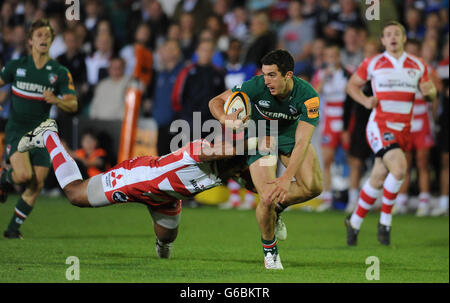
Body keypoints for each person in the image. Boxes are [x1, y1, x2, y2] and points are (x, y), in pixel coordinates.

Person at [16, 118, 263, 258]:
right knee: (75, 194)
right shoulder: (202, 148)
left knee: (167, 240)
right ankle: (49, 135)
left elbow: (260, 187)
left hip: (166, 198)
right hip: (138, 178)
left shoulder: (234, 167)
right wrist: (259, 140)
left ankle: (159, 263)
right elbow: (220, 150)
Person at [209, 49, 323, 269]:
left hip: (291, 138)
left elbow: (302, 142)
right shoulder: (256, 85)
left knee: (314, 187)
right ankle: (270, 251)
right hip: (262, 137)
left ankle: (277, 209)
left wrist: (286, 177)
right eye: (264, 74)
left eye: (272, 75)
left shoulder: (309, 96)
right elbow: (215, 101)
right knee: (267, 198)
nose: (266, 80)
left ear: (288, 75)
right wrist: (225, 118)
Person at [345, 21, 436, 246]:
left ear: (404, 38)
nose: (393, 37)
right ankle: (385, 221)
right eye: (388, 34)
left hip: (404, 128)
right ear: (383, 40)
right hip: (380, 125)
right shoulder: (373, 63)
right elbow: (352, 86)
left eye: (397, 33)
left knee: (377, 176)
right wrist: (365, 100)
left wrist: (431, 92)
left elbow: (430, 93)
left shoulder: (418, 65)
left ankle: (354, 222)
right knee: (399, 168)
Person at [0, 18, 78, 239]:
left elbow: (73, 104)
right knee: (24, 176)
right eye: (39, 35)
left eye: (47, 35)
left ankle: (12, 230)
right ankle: (5, 178)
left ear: (52, 41)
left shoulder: (59, 72)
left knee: (37, 184)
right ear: (30, 41)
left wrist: (57, 101)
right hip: (17, 130)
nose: (44, 38)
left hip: (42, 134)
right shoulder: (16, 66)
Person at [394, 39, 440, 216]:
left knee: (423, 163)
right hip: (405, 122)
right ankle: (402, 202)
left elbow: (435, 96)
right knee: (404, 164)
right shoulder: (398, 72)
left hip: (422, 121)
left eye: (415, 51)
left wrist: (434, 119)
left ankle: (424, 202)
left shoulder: (427, 70)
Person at [312, 44, 350, 212]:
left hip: (346, 120)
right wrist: (324, 78)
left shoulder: (348, 72)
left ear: (338, 57)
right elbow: (313, 94)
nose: (331, 59)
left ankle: (350, 197)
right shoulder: (321, 74)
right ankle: (327, 197)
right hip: (328, 120)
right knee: (327, 160)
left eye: (334, 55)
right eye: (328, 56)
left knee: (349, 160)